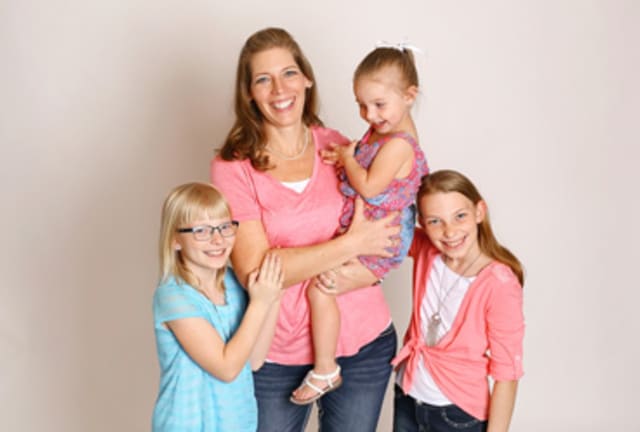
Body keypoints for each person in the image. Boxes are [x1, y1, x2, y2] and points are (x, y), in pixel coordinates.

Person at [210, 27, 400, 432]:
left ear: (307, 79)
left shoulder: (338, 148)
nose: (280, 89)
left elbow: (388, 229)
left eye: (289, 73)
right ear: (249, 94)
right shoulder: (233, 167)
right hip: (277, 353)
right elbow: (257, 271)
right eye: (264, 79)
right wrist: (351, 243)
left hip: (363, 341)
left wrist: (363, 252)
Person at [291, 45, 429, 404]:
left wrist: (349, 159)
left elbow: (369, 186)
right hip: (365, 234)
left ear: (409, 96)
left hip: (380, 243)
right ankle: (330, 356)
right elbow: (363, 163)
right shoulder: (380, 132)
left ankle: (326, 368)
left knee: (321, 289)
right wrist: (344, 155)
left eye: (379, 104)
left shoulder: (399, 145)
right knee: (319, 278)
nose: (369, 115)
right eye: (361, 105)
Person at [392, 170, 525, 432]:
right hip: (407, 396)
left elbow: (507, 373)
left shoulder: (499, 283)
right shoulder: (427, 249)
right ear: (422, 223)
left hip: (456, 413)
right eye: (435, 221)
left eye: (460, 216)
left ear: (479, 212)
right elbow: (385, 219)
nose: (449, 231)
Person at [152, 182, 284, 432]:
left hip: (237, 424)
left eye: (224, 227)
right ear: (175, 240)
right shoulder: (173, 297)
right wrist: (259, 302)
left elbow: (253, 360)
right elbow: (226, 368)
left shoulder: (234, 285)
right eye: (201, 231)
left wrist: (273, 297)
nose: (217, 239)